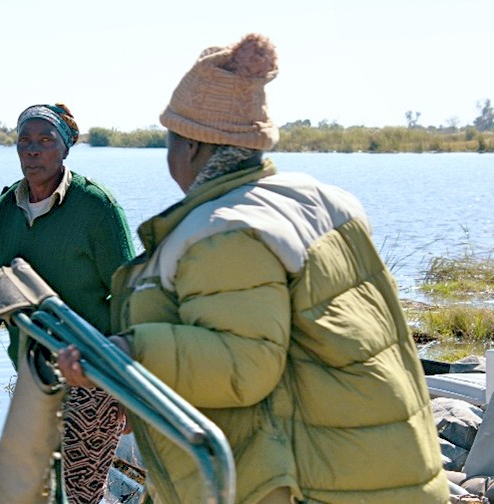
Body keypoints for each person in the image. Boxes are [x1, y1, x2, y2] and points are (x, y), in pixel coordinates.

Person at [57, 34, 449, 503]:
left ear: (193, 147)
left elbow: (245, 365)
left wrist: (124, 351)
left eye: (170, 140)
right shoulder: (323, 202)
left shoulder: (224, 229)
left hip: (308, 485)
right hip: (385, 470)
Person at [0, 103, 135, 503]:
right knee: (37, 489)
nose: (33, 150)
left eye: (45, 140)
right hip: (34, 377)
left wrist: (129, 389)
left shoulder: (96, 208)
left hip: (93, 375)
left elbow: (132, 297)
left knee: (80, 494)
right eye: (25, 141)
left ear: (65, 149)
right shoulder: (5, 213)